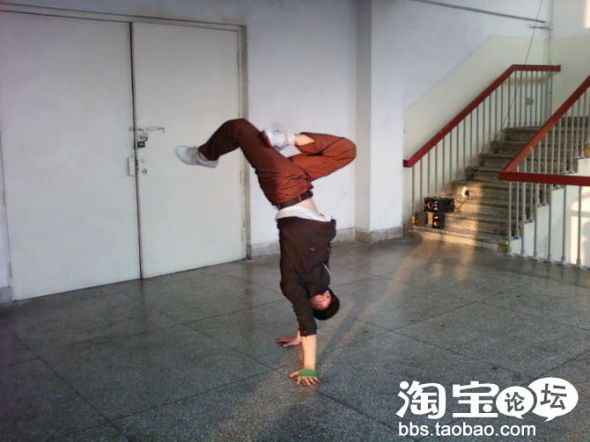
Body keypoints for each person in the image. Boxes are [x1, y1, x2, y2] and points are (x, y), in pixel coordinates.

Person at [175, 119, 356, 386]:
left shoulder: (293, 287)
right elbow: (304, 324)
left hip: (284, 188)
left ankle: (204, 155)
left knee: (238, 128)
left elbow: (307, 323)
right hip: (301, 182)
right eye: (328, 297)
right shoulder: (323, 278)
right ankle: (285, 139)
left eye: (321, 304)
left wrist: (308, 368)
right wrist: (296, 337)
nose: (323, 297)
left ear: (312, 306)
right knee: (346, 150)